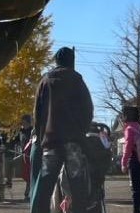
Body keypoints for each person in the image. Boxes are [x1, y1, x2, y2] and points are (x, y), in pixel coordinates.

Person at [30, 47, 94, 213]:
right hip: (73, 141)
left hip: (51, 142)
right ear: (71, 60)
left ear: (56, 61)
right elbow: (88, 109)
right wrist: (82, 130)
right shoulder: (77, 80)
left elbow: (37, 112)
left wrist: (41, 133)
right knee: (77, 185)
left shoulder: (45, 80)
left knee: (44, 185)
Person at [121, 105, 140, 213]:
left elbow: (128, 147)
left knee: (135, 189)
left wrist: (123, 163)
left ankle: (136, 210)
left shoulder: (129, 129)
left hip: (134, 160)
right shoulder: (139, 128)